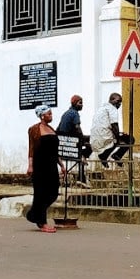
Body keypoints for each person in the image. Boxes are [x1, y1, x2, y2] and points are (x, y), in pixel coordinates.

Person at [24, 105, 60, 233]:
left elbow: (55, 151)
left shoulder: (51, 129)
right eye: (49, 114)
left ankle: (34, 213)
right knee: (41, 193)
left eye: (51, 114)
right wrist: (30, 165)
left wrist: (61, 165)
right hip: (40, 164)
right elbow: (32, 148)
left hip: (51, 165)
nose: (51, 116)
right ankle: (42, 222)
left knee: (54, 192)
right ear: (42, 116)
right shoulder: (34, 129)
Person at [55, 95, 91, 186]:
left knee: (84, 144)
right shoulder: (75, 113)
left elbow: (58, 128)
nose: (82, 105)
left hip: (63, 140)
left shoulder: (66, 113)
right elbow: (77, 128)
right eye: (80, 103)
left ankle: (82, 158)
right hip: (71, 140)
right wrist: (82, 139)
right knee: (91, 143)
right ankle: (83, 156)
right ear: (75, 104)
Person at [90, 92, 132, 168]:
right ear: (111, 100)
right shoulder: (112, 109)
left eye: (120, 102)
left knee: (120, 136)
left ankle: (108, 155)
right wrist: (118, 138)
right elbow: (114, 125)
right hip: (104, 138)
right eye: (118, 101)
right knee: (130, 139)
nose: (119, 104)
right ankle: (115, 155)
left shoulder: (101, 108)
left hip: (94, 139)